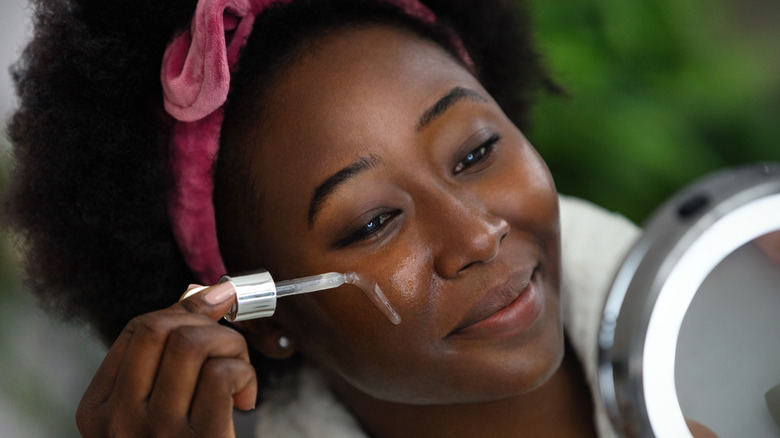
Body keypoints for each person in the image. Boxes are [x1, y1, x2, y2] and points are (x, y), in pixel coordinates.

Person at [2, 0, 649, 436]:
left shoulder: (727, 277)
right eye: (372, 223)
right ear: (270, 319)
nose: (477, 236)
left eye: (476, 152)